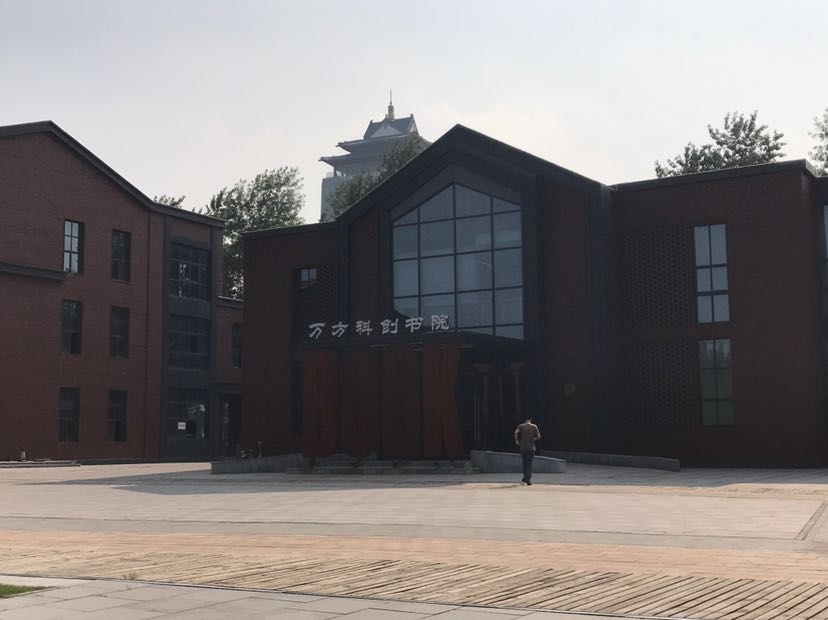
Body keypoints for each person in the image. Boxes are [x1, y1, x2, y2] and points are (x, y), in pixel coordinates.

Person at [513, 417, 541, 485]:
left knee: (525, 462)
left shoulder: (521, 426)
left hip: (523, 447)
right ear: (530, 420)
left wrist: (517, 440)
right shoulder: (534, 426)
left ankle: (525, 478)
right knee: (529, 463)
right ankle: (527, 478)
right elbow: (539, 436)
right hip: (531, 447)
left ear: (525, 420)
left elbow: (516, 432)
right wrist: (533, 439)